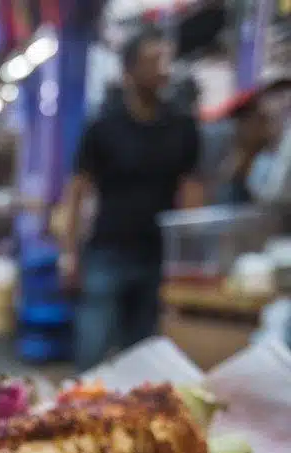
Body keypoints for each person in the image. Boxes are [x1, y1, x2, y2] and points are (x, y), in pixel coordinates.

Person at [60, 26, 203, 372]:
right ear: (129, 70)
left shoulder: (181, 126)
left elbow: (193, 191)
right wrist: (69, 253)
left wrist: (191, 259)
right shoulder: (103, 126)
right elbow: (77, 192)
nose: (162, 69)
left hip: (156, 257)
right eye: (152, 61)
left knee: (141, 359)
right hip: (106, 253)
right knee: (92, 353)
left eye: (165, 59)